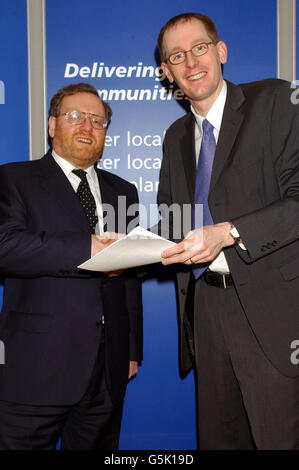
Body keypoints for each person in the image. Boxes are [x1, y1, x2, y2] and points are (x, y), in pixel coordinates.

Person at [156, 13, 299, 450]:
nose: (190, 62)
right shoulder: (175, 135)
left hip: (272, 314)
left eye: (199, 48)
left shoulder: (275, 100)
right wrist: (127, 245)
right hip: (207, 311)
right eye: (176, 56)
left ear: (221, 51)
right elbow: (173, 220)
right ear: (166, 73)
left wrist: (229, 232)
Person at [0, 82, 142, 450]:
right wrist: (87, 247)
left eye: (98, 121)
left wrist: (130, 349)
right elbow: (6, 246)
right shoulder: (14, 179)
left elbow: (129, 276)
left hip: (106, 373)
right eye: (76, 116)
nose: (87, 127)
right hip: (34, 370)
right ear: (52, 125)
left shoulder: (122, 190)